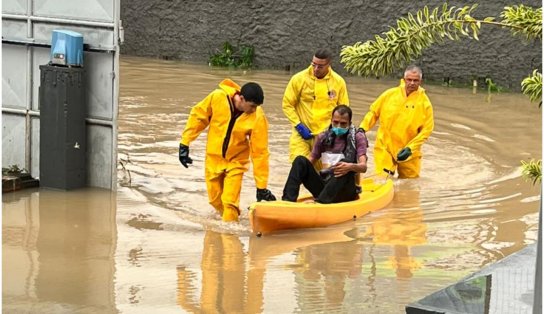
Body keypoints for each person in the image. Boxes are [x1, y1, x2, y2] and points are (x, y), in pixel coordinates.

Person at [178, 79, 276, 222]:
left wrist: (261, 187)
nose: (254, 110)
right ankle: (230, 224)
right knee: (215, 200)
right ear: (241, 99)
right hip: (213, 159)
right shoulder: (217, 97)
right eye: (252, 106)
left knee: (229, 203)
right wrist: (184, 144)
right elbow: (198, 117)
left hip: (236, 162)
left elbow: (260, 152)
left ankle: (230, 235)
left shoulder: (257, 116)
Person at [281, 105, 368, 204]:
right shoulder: (323, 137)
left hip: (346, 191)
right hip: (325, 187)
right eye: (335, 122)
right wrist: (298, 176)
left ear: (349, 123)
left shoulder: (358, 137)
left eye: (343, 124)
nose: (338, 126)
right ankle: (287, 201)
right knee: (300, 160)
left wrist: (350, 167)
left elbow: (363, 167)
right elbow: (310, 162)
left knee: (344, 163)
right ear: (331, 120)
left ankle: (320, 203)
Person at [360, 65, 434, 178]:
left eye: (416, 80)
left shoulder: (425, 104)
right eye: (409, 80)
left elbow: (426, 130)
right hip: (385, 146)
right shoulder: (389, 95)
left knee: (410, 182)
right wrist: (362, 129)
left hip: (409, 150)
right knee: (383, 178)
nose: (412, 83)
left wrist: (410, 148)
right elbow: (373, 113)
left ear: (420, 81)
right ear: (404, 80)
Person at [282, 49, 350, 163]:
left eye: (320, 66)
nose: (316, 69)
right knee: (300, 166)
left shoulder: (338, 82)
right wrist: (298, 125)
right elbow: (287, 104)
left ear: (328, 65)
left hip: (326, 136)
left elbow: (344, 110)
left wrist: (336, 132)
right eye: (313, 65)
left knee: (325, 174)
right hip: (302, 135)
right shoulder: (299, 79)